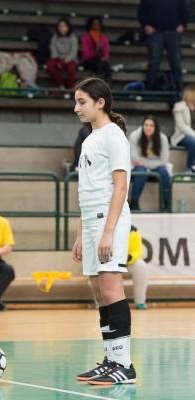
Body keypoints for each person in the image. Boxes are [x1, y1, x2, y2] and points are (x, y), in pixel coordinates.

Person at [72, 77, 136, 385]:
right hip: (91, 220)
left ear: (101, 102)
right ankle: (111, 359)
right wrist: (80, 233)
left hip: (109, 220)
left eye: (82, 101)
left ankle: (124, 364)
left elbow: (120, 186)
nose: (77, 108)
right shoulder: (89, 139)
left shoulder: (114, 135)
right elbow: (87, 190)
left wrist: (109, 231)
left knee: (112, 288)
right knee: (99, 292)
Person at [137, 0, 188, 91]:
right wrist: (145, 25)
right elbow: (141, 11)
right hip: (155, 33)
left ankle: (179, 90)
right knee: (154, 63)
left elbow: (184, 10)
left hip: (173, 33)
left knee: (176, 63)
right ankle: (150, 90)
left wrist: (183, 24)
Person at [129, 115, 170, 211]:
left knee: (163, 171)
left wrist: (144, 163)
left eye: (151, 125)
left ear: (156, 128)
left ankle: (167, 204)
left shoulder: (162, 138)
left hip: (156, 167)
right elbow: (134, 159)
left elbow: (164, 160)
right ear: (142, 126)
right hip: (138, 167)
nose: (148, 127)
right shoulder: (135, 136)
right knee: (141, 171)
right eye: (146, 125)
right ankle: (134, 203)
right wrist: (147, 164)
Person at [47, 18, 78, 89]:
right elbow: (53, 49)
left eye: (64, 26)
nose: (62, 28)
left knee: (71, 70)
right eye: (60, 26)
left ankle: (70, 87)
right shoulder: (54, 37)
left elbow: (73, 52)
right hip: (57, 58)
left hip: (69, 58)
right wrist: (59, 60)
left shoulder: (73, 38)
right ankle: (61, 84)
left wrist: (66, 60)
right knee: (50, 67)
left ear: (68, 27)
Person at [171, 85, 195, 172]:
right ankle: (189, 168)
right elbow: (181, 126)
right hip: (181, 136)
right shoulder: (179, 106)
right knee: (194, 143)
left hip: (191, 135)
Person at [81, 16, 111, 83]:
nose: (96, 26)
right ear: (90, 25)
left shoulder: (104, 38)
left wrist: (104, 57)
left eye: (98, 24)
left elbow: (106, 54)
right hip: (89, 61)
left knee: (106, 66)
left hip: (101, 60)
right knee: (98, 65)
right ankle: (101, 84)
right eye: (94, 24)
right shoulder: (86, 38)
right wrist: (95, 52)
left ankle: (107, 84)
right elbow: (86, 55)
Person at [127, 225, 149, 310]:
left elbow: (137, 252)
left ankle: (140, 301)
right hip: (109, 262)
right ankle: (101, 303)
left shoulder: (133, 230)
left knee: (141, 266)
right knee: (99, 265)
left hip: (127, 262)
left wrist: (128, 257)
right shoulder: (104, 227)